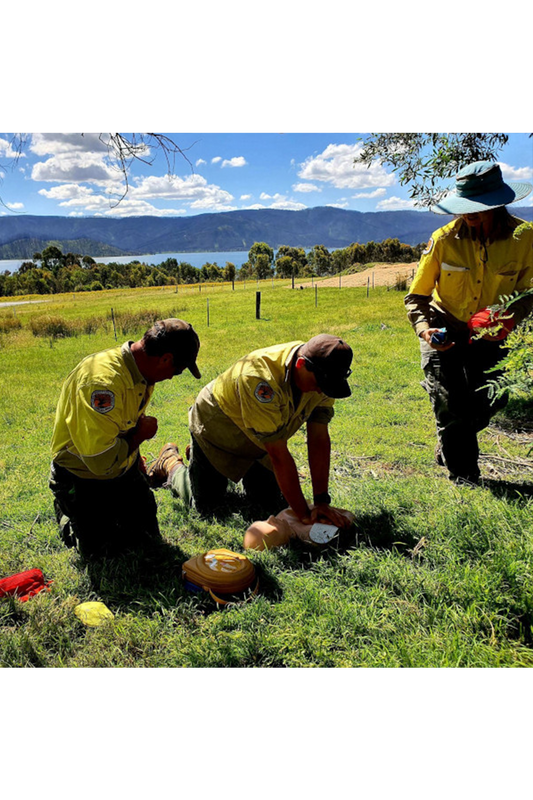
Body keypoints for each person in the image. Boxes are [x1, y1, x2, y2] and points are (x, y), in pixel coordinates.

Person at [404, 161, 533, 485]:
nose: (469, 214)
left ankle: (451, 439)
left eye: (478, 207)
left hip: (493, 336)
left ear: (498, 203)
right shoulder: (443, 240)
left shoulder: (526, 238)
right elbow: (416, 298)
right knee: (449, 404)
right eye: (465, 206)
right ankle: (464, 476)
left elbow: (531, 292)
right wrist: (425, 331)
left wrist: (510, 318)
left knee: (490, 401)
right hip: (442, 326)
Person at [147, 334, 353, 529]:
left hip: (263, 439)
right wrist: (304, 515)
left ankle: (203, 462)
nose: (321, 391)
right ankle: (171, 462)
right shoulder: (260, 378)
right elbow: (279, 455)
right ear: (300, 365)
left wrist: (321, 501)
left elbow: (318, 439)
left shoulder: (323, 370)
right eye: (319, 385)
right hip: (219, 431)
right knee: (207, 506)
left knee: (268, 503)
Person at [49, 319, 201, 557]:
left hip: (120, 466)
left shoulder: (140, 371)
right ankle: (68, 512)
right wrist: (140, 437)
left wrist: (134, 459)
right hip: (82, 474)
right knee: (100, 551)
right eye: (177, 370)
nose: (173, 377)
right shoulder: (102, 385)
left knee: (145, 536)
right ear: (165, 359)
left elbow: (123, 427)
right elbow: (99, 461)